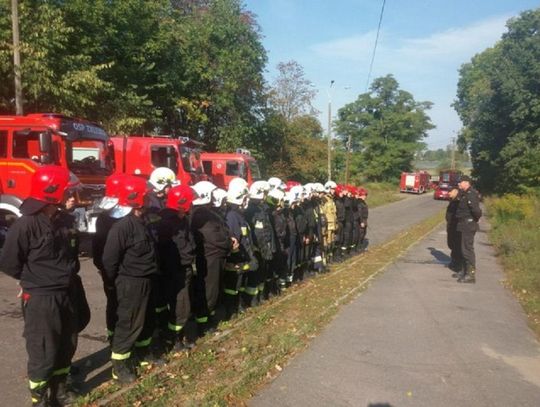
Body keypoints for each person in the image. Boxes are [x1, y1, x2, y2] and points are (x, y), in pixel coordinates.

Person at [0, 166, 81, 406]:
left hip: (66, 292)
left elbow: (71, 255)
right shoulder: (26, 225)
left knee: (67, 343)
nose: (72, 198)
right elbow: (9, 262)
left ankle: (60, 389)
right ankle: (40, 396)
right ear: (51, 194)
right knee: (43, 349)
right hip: (41, 297)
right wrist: (30, 282)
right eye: (67, 192)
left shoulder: (65, 220)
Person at [102, 175, 161, 384]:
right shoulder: (122, 227)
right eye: (146, 197)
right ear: (135, 199)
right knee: (128, 324)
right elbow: (109, 260)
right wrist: (115, 283)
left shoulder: (142, 221)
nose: (149, 200)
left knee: (146, 320)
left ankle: (143, 354)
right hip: (131, 282)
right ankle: (120, 366)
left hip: (147, 279)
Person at [156, 184, 196, 351]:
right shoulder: (168, 224)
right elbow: (174, 250)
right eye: (190, 202)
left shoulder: (181, 220)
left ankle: (177, 336)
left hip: (181, 269)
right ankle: (175, 340)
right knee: (181, 306)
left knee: (181, 306)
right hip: (174, 272)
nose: (192, 205)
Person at [191, 181, 234, 333]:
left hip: (214, 257)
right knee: (209, 291)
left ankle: (209, 318)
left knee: (214, 290)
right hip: (210, 259)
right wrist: (230, 243)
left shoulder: (208, 213)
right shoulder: (201, 215)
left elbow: (221, 231)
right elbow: (214, 237)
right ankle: (203, 324)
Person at [92, 174, 128, 341]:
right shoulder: (116, 219)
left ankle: (114, 336)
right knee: (118, 305)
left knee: (114, 304)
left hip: (109, 269)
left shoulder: (103, 217)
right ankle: (117, 338)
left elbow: (96, 248)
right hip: (118, 270)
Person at [455, 176, 482, 283]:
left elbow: (476, 211)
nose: (458, 184)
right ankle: (465, 270)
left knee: (467, 249)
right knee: (463, 248)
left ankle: (471, 275)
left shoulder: (471, 194)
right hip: (463, 224)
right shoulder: (464, 194)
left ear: (466, 183)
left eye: (460, 182)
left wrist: (475, 219)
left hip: (468, 224)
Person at [445, 188, 462, 274]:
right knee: (451, 244)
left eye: (450, 191)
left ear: (455, 192)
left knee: (455, 246)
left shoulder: (457, 202)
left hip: (455, 226)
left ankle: (457, 263)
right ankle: (454, 261)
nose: (448, 193)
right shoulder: (452, 200)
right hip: (450, 225)